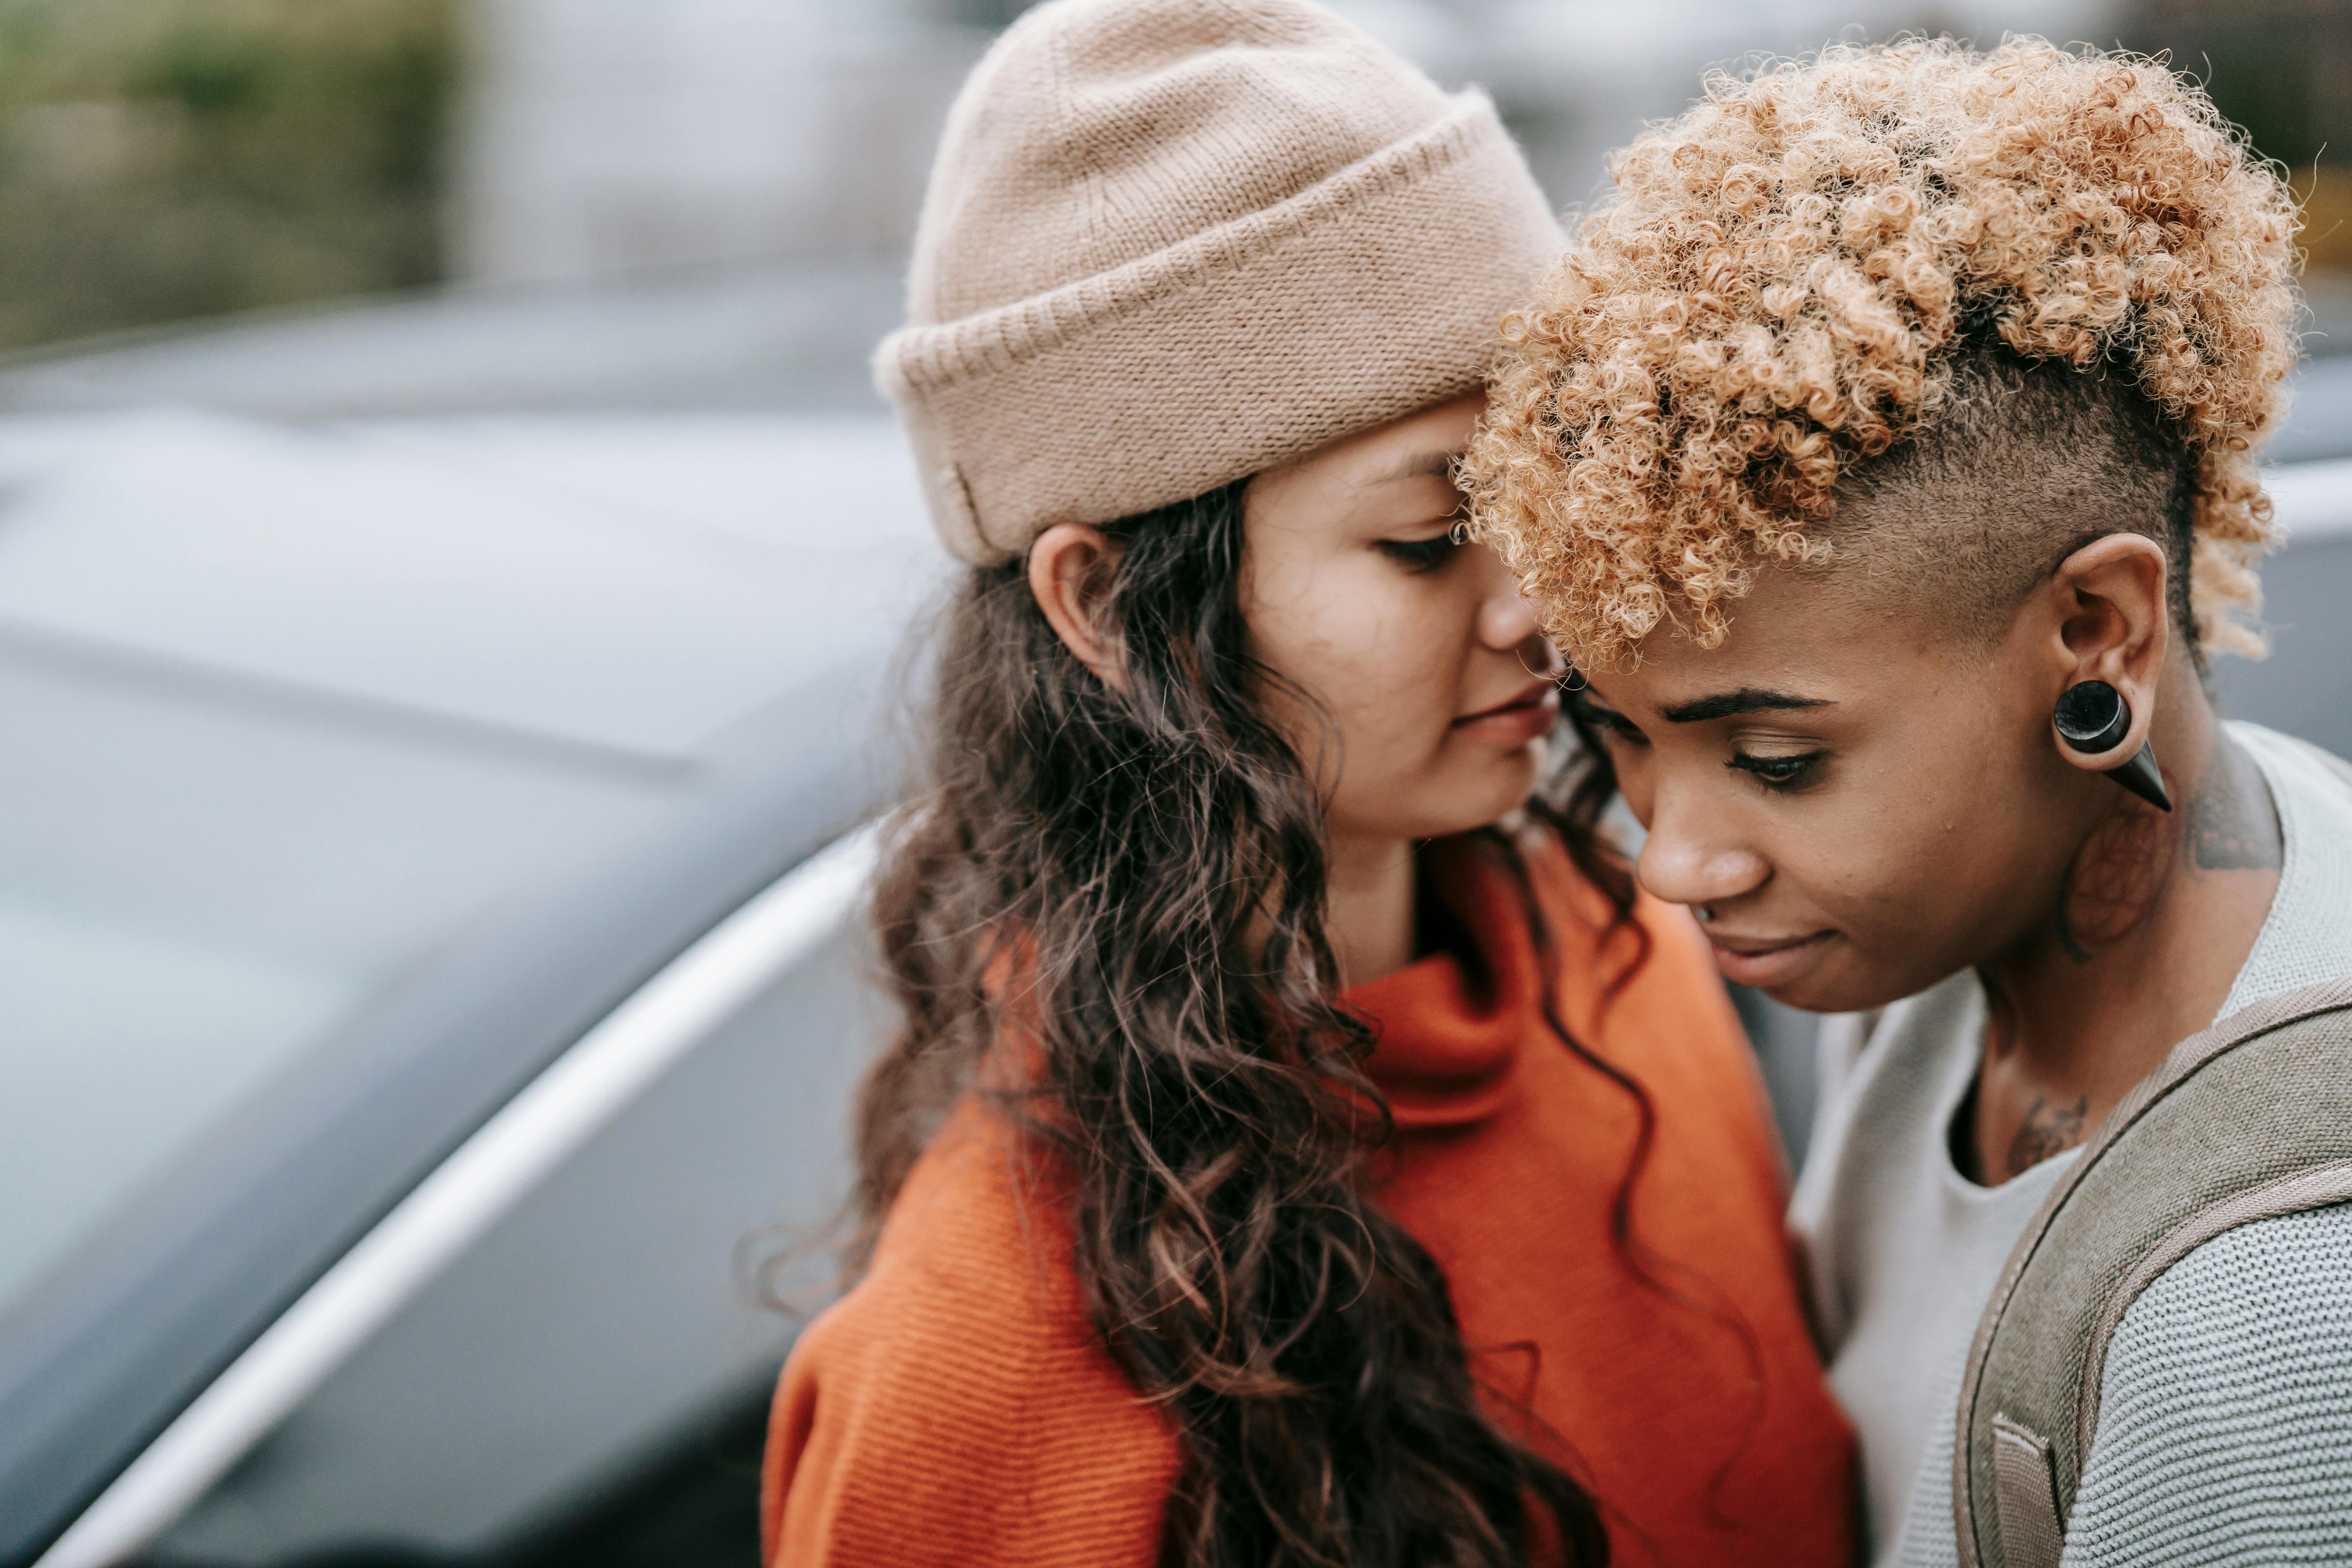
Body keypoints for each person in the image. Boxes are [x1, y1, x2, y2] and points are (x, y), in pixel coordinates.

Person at [758, 3, 1858, 1566]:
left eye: (1545, 487)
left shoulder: (1634, 970)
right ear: (1103, 607)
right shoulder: (968, 1391)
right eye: (1427, 534)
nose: (1535, 592)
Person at [1462, 35, 2352, 1568]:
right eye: (1615, 738)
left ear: (2097, 634)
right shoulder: (1941, 930)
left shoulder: (2267, 1316)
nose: (1673, 861)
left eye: (1778, 760)